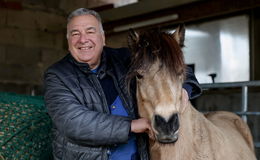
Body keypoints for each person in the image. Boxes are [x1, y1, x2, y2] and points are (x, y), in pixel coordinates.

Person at [44, 8, 202, 160]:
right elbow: (74, 123)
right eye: (75, 33)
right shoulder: (58, 75)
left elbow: (174, 69)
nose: (83, 39)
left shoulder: (124, 59)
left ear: (103, 37)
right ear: (68, 40)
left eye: (90, 31)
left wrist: (185, 90)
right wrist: (131, 126)